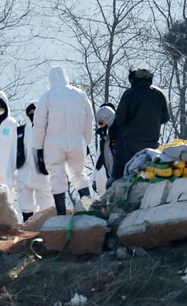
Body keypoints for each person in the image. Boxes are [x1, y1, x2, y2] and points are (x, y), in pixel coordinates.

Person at [35, 65, 93, 216]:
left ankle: (61, 214)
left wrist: (38, 148)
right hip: (77, 140)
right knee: (79, 175)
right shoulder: (80, 94)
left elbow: (39, 125)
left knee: (57, 178)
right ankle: (88, 209)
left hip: (53, 143)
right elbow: (89, 118)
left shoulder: (46, 96)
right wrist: (86, 140)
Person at [109, 68, 171, 181]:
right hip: (152, 142)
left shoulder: (129, 94)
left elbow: (120, 119)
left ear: (133, 80)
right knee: (149, 172)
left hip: (132, 143)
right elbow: (165, 118)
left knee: (132, 173)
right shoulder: (159, 94)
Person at [15, 102, 50, 221]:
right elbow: (10, 152)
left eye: (35, 113)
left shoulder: (47, 130)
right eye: (30, 113)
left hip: (42, 174)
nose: (33, 115)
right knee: (26, 207)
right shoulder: (19, 131)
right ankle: (26, 233)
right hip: (23, 173)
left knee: (46, 209)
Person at [94, 104, 116, 193]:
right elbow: (100, 158)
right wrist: (94, 179)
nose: (99, 126)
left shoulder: (118, 134)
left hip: (120, 175)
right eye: (98, 123)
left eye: (101, 123)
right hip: (111, 176)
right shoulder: (104, 138)